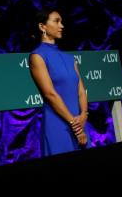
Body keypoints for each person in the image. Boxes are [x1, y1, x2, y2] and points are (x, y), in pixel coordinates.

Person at [28, 8, 90, 156]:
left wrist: (84, 115)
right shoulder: (37, 56)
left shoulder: (70, 59)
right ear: (42, 26)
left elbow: (81, 91)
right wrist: (75, 126)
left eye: (61, 22)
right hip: (58, 125)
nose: (61, 26)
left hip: (80, 122)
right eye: (56, 21)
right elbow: (50, 94)